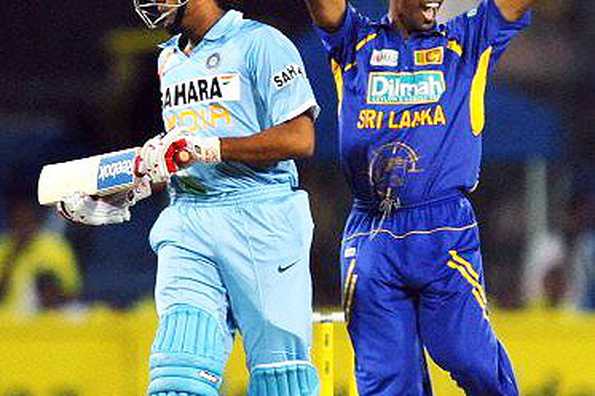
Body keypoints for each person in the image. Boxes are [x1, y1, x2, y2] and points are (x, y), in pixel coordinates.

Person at [59, 0, 321, 394]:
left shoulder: (261, 43)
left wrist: (210, 148)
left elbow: (300, 139)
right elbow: (179, 156)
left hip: (262, 219)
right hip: (189, 218)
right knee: (177, 376)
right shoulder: (169, 60)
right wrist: (125, 192)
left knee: (281, 381)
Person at [304, 0, 534, 394]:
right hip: (371, 233)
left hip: (443, 230)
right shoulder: (354, 42)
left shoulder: (468, 40)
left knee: (471, 359)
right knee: (387, 381)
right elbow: (324, 8)